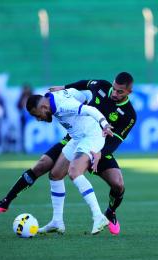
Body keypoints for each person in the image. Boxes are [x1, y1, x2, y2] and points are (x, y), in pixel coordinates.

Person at [0, 72, 136, 235]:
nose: (114, 93)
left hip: (99, 144)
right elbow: (83, 83)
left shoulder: (129, 115)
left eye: (119, 92)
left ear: (129, 92)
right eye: (113, 89)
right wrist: (64, 87)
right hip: (76, 137)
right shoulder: (101, 86)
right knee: (49, 169)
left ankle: (109, 213)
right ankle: (10, 203)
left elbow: (115, 140)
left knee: (118, 183)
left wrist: (98, 152)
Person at [26, 88, 113, 234]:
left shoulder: (63, 106)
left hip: (92, 136)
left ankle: (98, 216)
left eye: (37, 115)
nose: (38, 119)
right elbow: (84, 94)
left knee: (74, 172)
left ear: (43, 107)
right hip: (78, 138)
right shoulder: (54, 97)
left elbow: (89, 109)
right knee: (55, 174)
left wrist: (104, 124)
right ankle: (57, 221)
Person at [17, 83, 33, 153]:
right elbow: (18, 106)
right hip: (24, 119)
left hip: (31, 119)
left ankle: (30, 147)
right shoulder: (21, 97)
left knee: (30, 133)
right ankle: (24, 148)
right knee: (23, 133)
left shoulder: (32, 97)